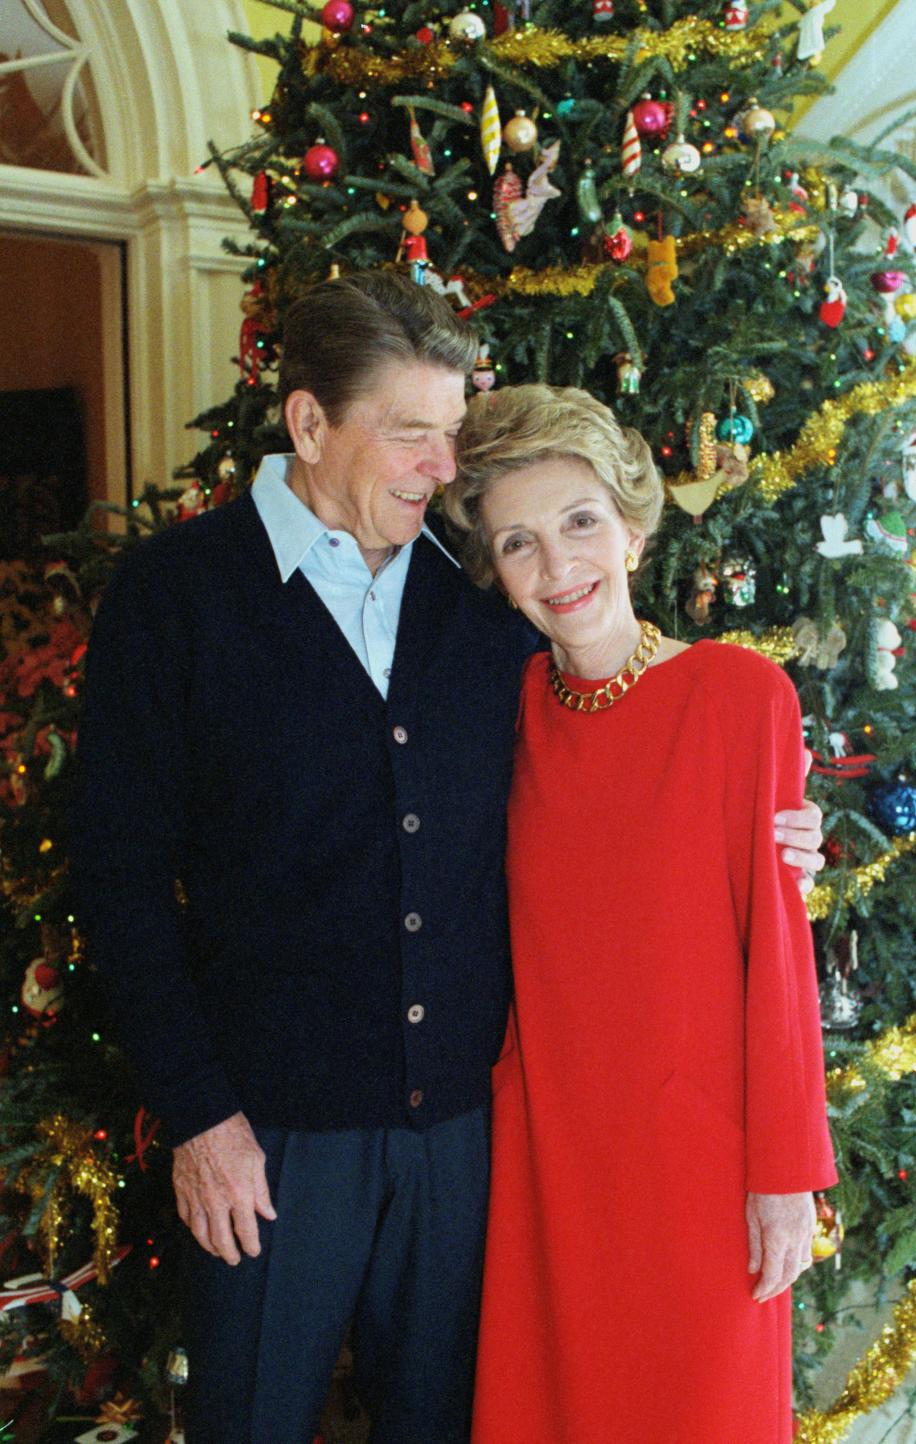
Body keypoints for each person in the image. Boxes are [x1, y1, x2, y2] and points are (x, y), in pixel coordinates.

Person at [71, 273, 825, 1444]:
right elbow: (116, 874)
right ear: (310, 423)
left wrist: (776, 832)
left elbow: (622, 759)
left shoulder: (473, 604)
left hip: (470, 1144)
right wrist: (198, 1115)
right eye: (408, 431)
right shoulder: (177, 596)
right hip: (270, 1139)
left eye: (449, 431)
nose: (439, 466)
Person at [443, 383, 838, 1444]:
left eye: (579, 522)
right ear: (495, 569)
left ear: (630, 523)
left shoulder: (741, 697)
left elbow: (779, 960)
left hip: (703, 1176)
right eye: (519, 542)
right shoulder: (503, 714)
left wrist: (787, 1177)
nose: (558, 565)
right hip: (551, 1165)